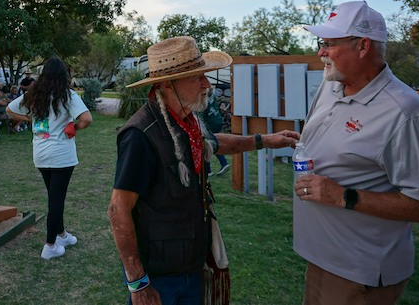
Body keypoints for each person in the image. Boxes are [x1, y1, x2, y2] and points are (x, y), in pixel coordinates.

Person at [107, 36, 300, 304]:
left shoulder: (188, 120)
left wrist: (265, 140)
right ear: (166, 84)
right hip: (161, 275)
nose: (207, 84)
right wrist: (138, 284)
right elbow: (118, 210)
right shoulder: (140, 135)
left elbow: (213, 143)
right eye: (196, 78)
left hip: (193, 265)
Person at [294, 1, 419, 305]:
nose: (320, 52)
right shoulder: (331, 86)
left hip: (358, 271)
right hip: (322, 257)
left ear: (363, 46)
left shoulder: (404, 112)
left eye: (330, 44)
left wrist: (344, 195)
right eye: (321, 43)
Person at [7, 57, 92, 260]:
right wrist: (75, 127)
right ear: (64, 75)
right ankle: (50, 245)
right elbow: (87, 119)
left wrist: (31, 118)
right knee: (56, 200)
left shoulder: (34, 94)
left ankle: (61, 234)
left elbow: (9, 110)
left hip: (41, 154)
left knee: (54, 197)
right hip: (61, 155)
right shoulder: (67, 95)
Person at [202, 88, 230, 177]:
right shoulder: (212, 96)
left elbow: (201, 115)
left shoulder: (203, 100)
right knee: (212, 143)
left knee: (207, 145)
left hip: (211, 123)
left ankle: (210, 169)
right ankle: (222, 164)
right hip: (218, 120)